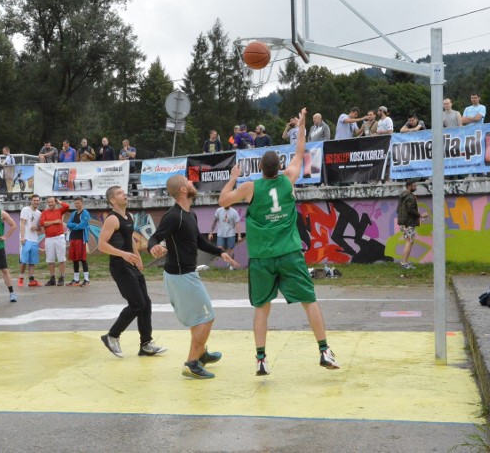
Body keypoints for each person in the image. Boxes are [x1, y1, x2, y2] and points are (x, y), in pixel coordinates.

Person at [218, 108, 339, 376]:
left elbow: (223, 201)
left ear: (260, 168)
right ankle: (324, 351)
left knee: (262, 309)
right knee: (310, 301)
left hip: (262, 258)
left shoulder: (250, 188)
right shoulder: (288, 180)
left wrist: (233, 178)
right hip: (290, 254)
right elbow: (299, 152)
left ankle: (261, 359)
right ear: (279, 167)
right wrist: (303, 122)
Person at [148, 175, 238, 379]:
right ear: (182, 190)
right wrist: (153, 246)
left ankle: (201, 354)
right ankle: (191, 363)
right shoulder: (174, 215)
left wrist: (219, 251)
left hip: (187, 274)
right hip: (181, 276)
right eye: (189, 182)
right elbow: (155, 237)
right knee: (207, 317)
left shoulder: (190, 215)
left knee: (198, 319)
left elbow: (198, 240)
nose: (192, 184)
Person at [98, 185, 166, 359]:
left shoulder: (128, 216)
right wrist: (124, 255)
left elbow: (129, 239)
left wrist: (137, 257)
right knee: (137, 303)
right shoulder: (112, 219)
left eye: (124, 192)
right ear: (113, 200)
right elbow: (102, 245)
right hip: (119, 266)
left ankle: (146, 344)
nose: (125, 194)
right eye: (120, 193)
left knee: (146, 303)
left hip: (130, 264)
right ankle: (112, 336)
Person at [396, 180, 428, 269]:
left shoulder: (402, 196)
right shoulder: (410, 197)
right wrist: (421, 215)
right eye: (414, 185)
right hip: (409, 223)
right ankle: (404, 264)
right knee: (409, 242)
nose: (416, 187)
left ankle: (404, 263)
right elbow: (411, 210)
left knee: (409, 241)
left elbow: (398, 210)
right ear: (409, 186)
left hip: (404, 223)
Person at [40, 196, 70, 286]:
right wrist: (54, 221)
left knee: (61, 258)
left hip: (59, 237)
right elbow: (42, 223)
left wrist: (59, 201)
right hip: (49, 238)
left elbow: (67, 206)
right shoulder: (44, 212)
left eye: (52, 202)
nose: (50, 204)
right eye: (49, 202)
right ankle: (52, 278)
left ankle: (62, 277)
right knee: (50, 259)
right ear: (47, 203)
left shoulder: (59, 211)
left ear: (55, 202)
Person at [18, 195, 42, 287]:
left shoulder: (39, 213)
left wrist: (37, 227)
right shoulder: (25, 210)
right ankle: (21, 278)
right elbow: (22, 223)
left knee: (32, 261)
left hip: (34, 240)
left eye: (37, 200)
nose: (36, 202)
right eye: (34, 200)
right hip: (26, 239)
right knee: (24, 260)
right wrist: (22, 236)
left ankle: (31, 280)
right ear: (31, 201)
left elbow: (40, 228)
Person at [67, 197, 92, 285]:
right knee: (75, 259)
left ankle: (86, 279)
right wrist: (75, 225)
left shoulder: (86, 213)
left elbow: (82, 226)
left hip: (81, 238)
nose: (77, 205)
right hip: (73, 238)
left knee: (82, 259)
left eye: (78, 203)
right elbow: (68, 224)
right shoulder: (73, 213)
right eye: (75, 203)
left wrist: (74, 226)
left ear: (82, 203)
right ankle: (76, 279)